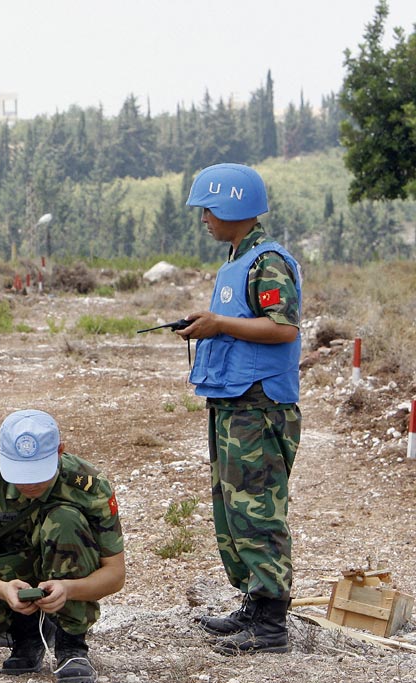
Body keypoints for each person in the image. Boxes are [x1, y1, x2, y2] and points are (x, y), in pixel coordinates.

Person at [179, 163, 302, 655]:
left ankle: (271, 627)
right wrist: (210, 322)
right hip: (233, 402)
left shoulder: (267, 261)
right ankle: (255, 603)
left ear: (232, 207)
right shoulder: (239, 258)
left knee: (258, 510)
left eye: (208, 209)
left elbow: (284, 328)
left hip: (259, 406)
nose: (204, 218)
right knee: (234, 512)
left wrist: (221, 326)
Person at [0, 409, 125, 683]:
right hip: (11, 569)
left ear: (60, 451)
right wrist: (2, 590)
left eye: (38, 473)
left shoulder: (90, 486)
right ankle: (27, 635)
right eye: (20, 474)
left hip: (67, 570)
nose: (30, 483)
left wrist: (69, 589)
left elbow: (115, 574)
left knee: (65, 520)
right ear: (0, 453)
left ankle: (72, 644)